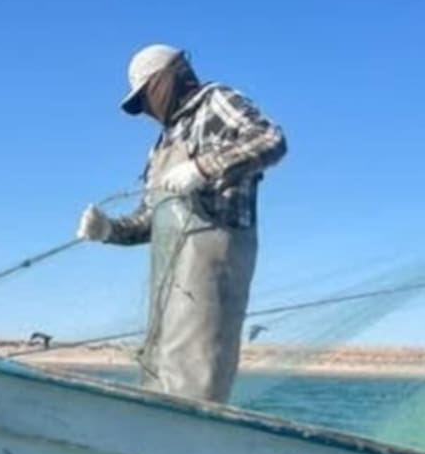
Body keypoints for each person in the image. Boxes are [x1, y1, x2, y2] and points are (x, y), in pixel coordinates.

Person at [76, 43, 287, 403]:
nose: (145, 110)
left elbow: (270, 140)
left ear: (168, 79)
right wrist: (108, 230)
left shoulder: (215, 100)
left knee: (197, 374)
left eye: (145, 97)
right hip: (170, 278)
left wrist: (203, 168)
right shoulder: (161, 145)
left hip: (215, 264)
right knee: (159, 370)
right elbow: (149, 221)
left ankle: (194, 445)